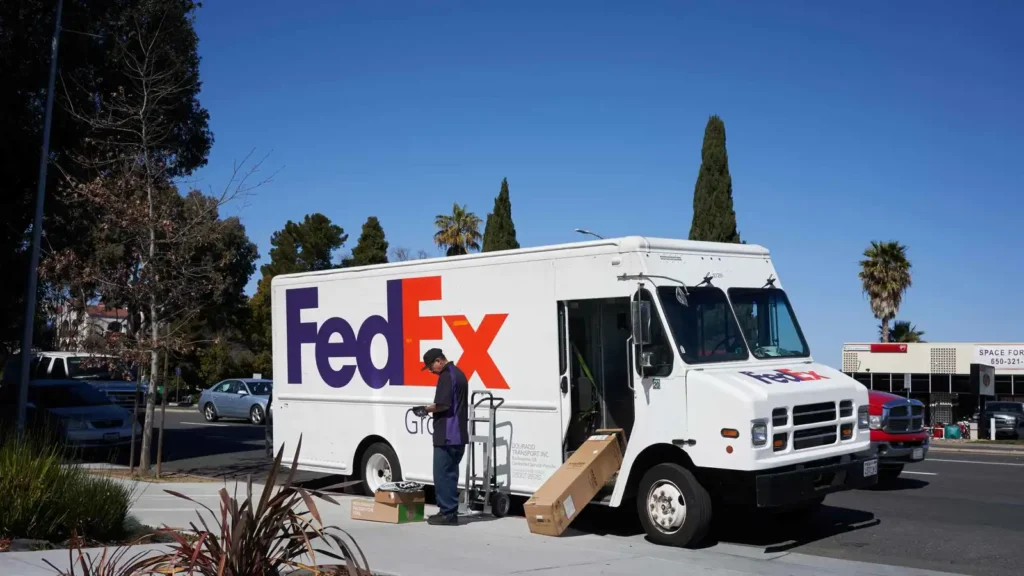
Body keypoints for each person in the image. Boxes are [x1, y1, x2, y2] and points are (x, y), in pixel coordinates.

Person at [414, 348, 469, 526]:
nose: (431, 371)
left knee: (442, 474)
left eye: (431, 367)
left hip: (447, 434)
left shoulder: (446, 376)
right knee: (450, 474)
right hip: (458, 434)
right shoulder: (459, 373)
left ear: (439, 361)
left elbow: (443, 404)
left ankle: (447, 513)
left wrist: (424, 409)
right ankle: (448, 511)